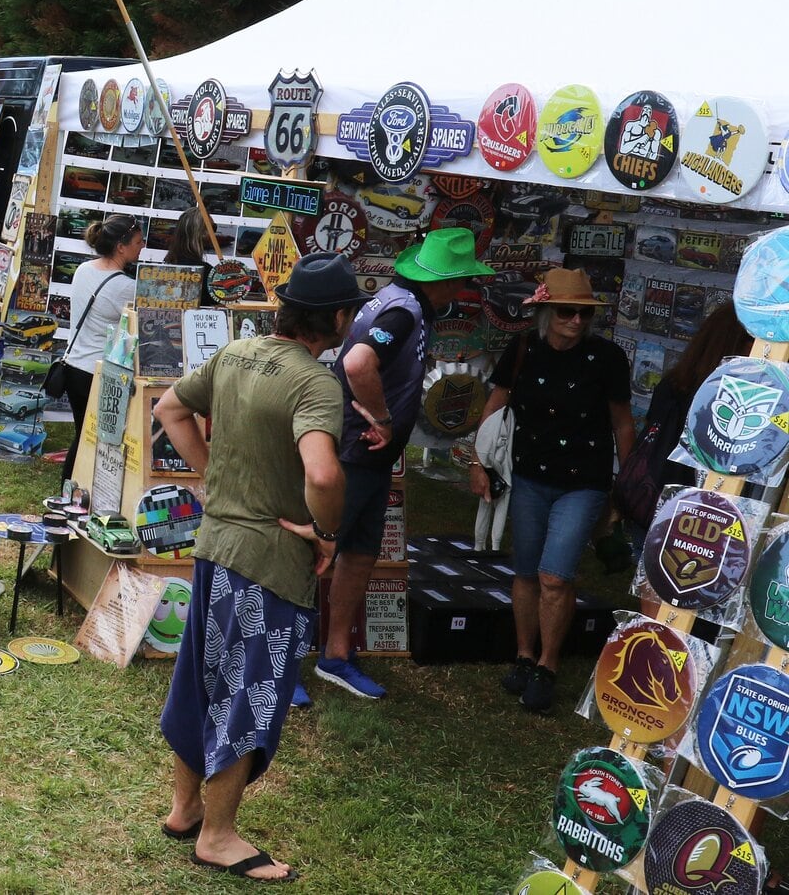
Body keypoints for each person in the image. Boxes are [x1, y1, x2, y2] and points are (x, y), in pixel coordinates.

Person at [152, 253, 356, 885]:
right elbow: (322, 472)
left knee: (202, 681)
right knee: (248, 693)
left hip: (215, 549)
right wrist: (325, 531)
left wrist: (210, 475)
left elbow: (169, 408)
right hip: (268, 563)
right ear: (340, 317)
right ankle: (217, 835)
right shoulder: (316, 383)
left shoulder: (238, 353)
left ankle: (186, 808)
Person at [317, 227, 494, 702]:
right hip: (355, 451)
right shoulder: (404, 310)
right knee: (315, 553)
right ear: (449, 282)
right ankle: (275, 664)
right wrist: (381, 418)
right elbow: (357, 364)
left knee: (357, 554)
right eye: (462, 282)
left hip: (369, 457)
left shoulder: (400, 301)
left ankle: (335, 654)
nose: (462, 291)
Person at [481, 268, 632, 714]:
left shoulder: (607, 358)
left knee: (555, 575)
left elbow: (622, 420)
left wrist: (627, 481)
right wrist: (479, 459)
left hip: (584, 481)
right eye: (568, 312)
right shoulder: (524, 348)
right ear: (546, 312)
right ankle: (525, 656)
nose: (577, 321)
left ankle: (548, 665)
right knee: (525, 571)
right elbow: (497, 403)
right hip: (528, 474)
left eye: (585, 314)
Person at [616, 302, 751, 558]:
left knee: (655, 582)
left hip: (657, 503)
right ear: (736, 344)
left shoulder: (675, 383)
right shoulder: (718, 396)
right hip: (691, 511)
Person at [59, 216, 145, 463]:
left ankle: (70, 492)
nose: (142, 246)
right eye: (138, 241)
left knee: (82, 434)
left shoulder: (84, 269)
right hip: (97, 371)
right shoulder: (126, 287)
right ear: (121, 246)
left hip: (74, 365)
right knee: (94, 439)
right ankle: (72, 493)